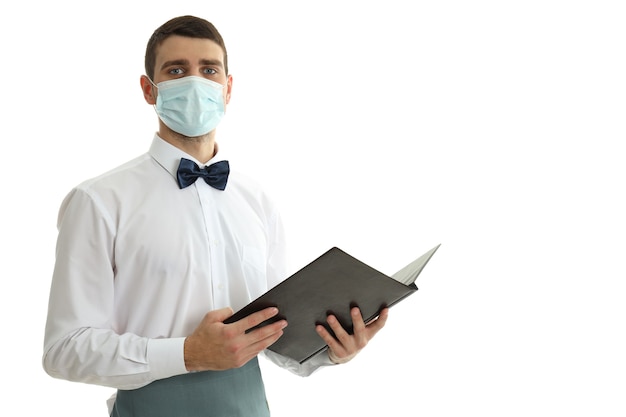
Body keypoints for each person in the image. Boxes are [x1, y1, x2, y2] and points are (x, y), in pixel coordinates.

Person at [42, 15, 389, 416]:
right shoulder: (98, 200)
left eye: (209, 69)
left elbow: (277, 333)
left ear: (227, 88)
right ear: (148, 89)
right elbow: (63, 350)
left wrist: (331, 349)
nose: (195, 82)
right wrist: (187, 353)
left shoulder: (257, 200)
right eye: (176, 70)